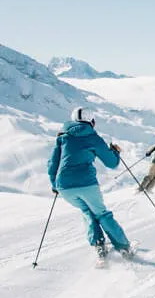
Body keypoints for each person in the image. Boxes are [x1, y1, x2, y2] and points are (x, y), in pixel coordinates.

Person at [47, 106, 133, 264]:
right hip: (86, 183)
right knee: (102, 214)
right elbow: (111, 163)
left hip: (64, 187)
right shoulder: (93, 137)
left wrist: (55, 185)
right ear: (91, 121)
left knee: (87, 211)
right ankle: (123, 248)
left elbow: (53, 163)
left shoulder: (63, 137)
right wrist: (115, 152)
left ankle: (100, 247)